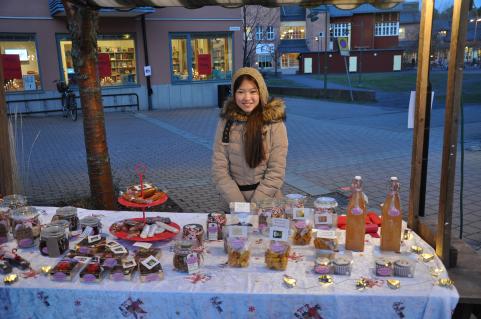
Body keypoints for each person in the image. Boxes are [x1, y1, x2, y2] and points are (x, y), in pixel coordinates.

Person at [212, 67, 288, 206]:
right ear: (234, 94)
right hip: (232, 204)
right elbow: (219, 169)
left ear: (261, 92)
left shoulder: (274, 123)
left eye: (253, 91)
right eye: (241, 92)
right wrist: (239, 205)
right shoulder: (226, 122)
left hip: (267, 204)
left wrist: (254, 206)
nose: (247, 98)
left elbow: (276, 172)